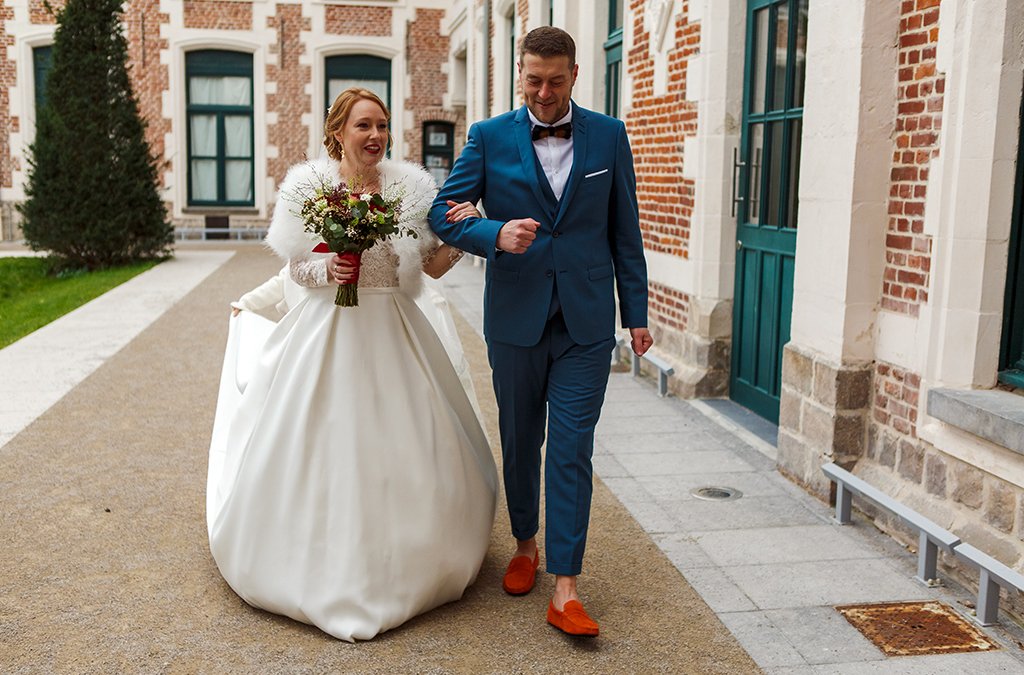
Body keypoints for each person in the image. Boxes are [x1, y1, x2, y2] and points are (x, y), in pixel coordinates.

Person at [206, 87, 498, 642]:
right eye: (364, 125)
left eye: (382, 125)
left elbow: (431, 267)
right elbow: (296, 266)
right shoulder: (308, 187)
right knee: (322, 443)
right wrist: (328, 273)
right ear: (338, 130)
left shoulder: (411, 188)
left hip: (394, 326)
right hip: (327, 332)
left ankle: (416, 558)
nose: (375, 136)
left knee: (414, 441)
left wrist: (465, 231)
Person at [428, 27, 652, 637]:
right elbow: (442, 210)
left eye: (556, 81)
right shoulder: (488, 136)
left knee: (573, 447)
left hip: (585, 321)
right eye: (534, 81)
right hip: (516, 318)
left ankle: (567, 587)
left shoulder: (609, 134)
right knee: (522, 438)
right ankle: (525, 542)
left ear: (575, 75)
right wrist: (492, 234)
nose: (545, 93)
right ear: (519, 76)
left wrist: (636, 313)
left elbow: (623, 229)